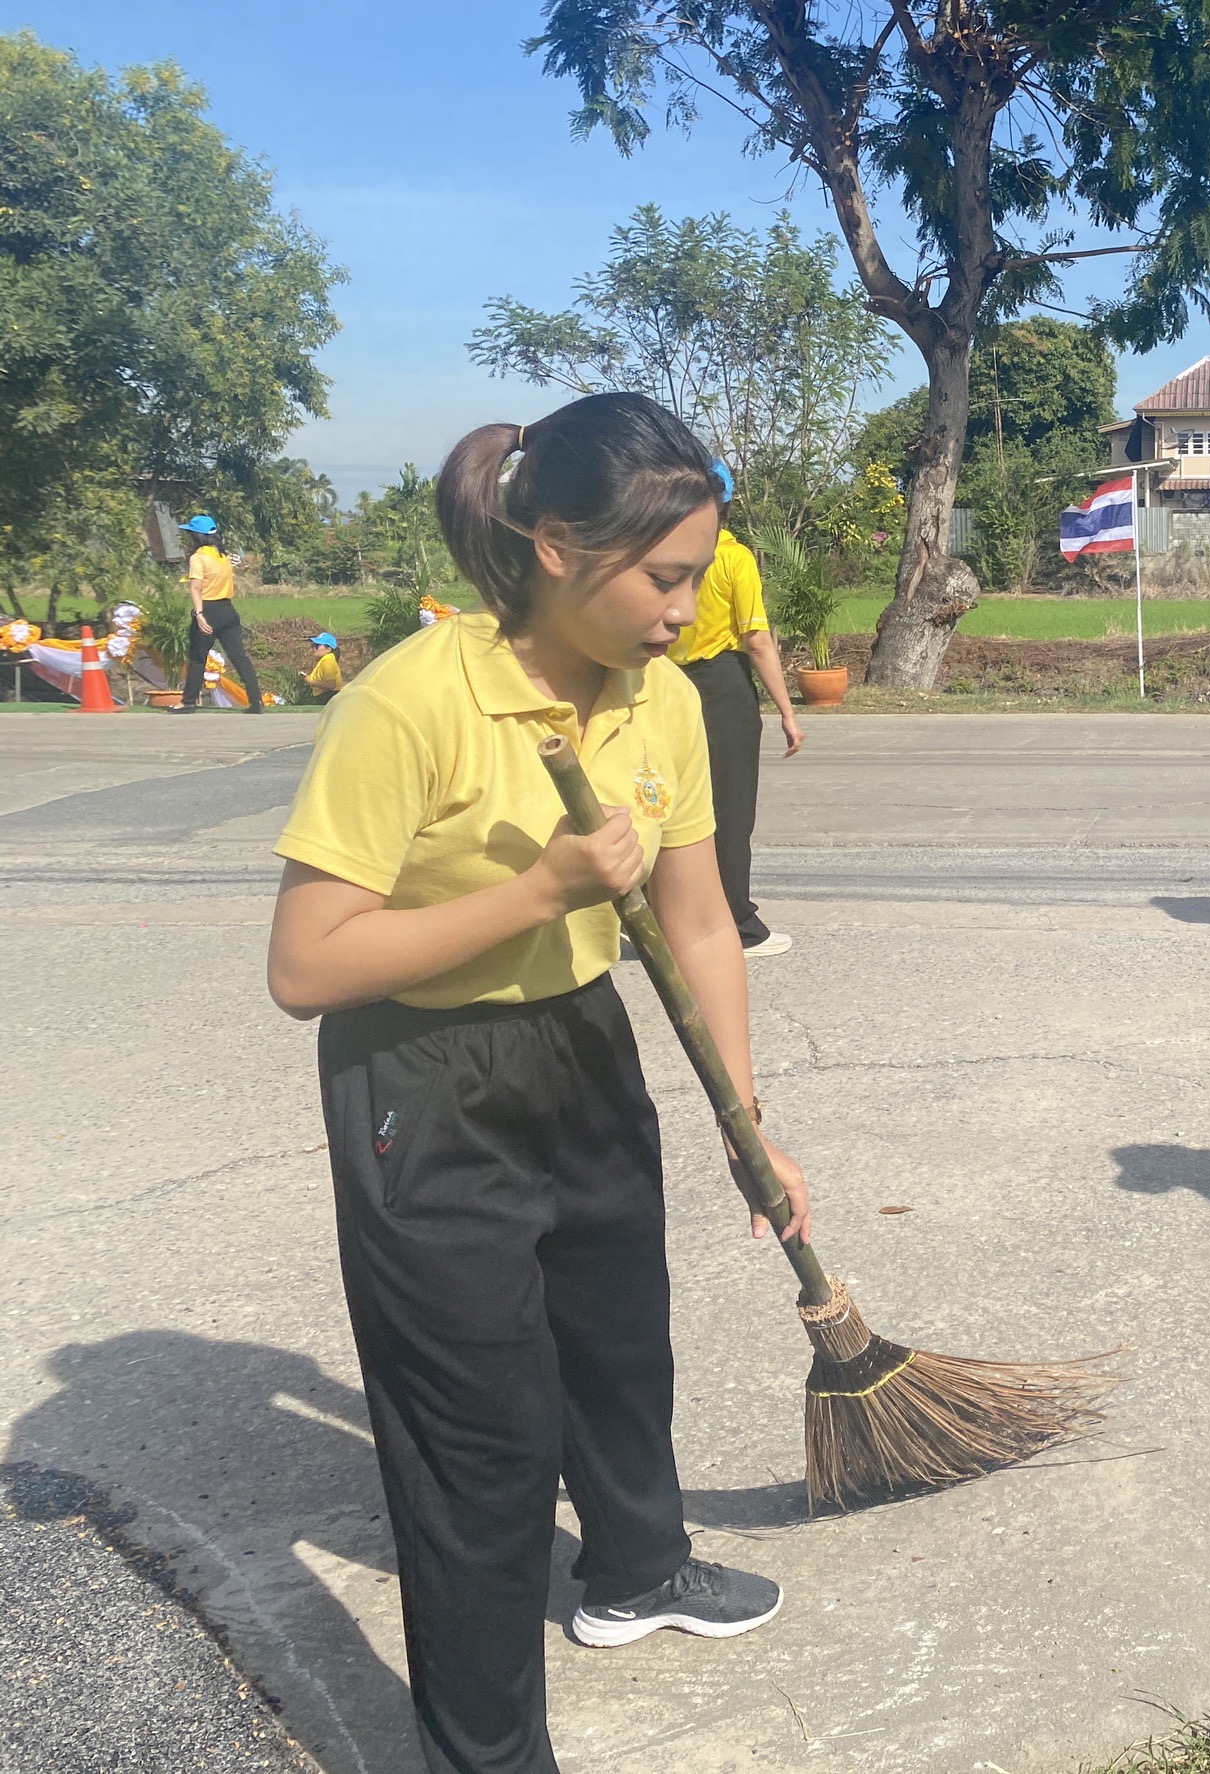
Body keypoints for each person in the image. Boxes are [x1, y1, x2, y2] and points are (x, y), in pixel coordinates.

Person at [265, 392, 808, 1774]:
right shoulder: (413, 699)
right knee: (480, 1445)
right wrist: (540, 889)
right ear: (559, 544)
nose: (689, 607)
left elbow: (697, 923)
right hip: (422, 1077)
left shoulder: (664, 699)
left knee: (623, 1341)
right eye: (666, 576)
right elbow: (308, 963)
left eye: (700, 573)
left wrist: (748, 1122)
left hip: (583, 1044)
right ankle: (485, 1752)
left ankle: (637, 1568)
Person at [667, 462, 803, 957]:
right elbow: (758, 640)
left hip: (662, 682)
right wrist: (787, 710)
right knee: (728, 807)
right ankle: (738, 925)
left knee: (670, 806)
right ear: (726, 503)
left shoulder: (662, 552)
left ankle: (670, 918)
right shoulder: (732, 558)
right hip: (720, 687)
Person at [172, 514, 263, 713]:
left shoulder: (198, 558)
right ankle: (257, 701)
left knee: (197, 658)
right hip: (228, 610)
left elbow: (196, 588)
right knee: (240, 658)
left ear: (197, 536)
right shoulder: (223, 556)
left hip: (208, 609)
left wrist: (199, 614)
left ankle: (188, 702)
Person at [304, 631, 343, 702]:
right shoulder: (325, 660)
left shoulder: (327, 662)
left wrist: (310, 682)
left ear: (328, 649)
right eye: (313, 645)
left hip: (327, 697)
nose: (314, 648)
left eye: (317, 646)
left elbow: (331, 685)